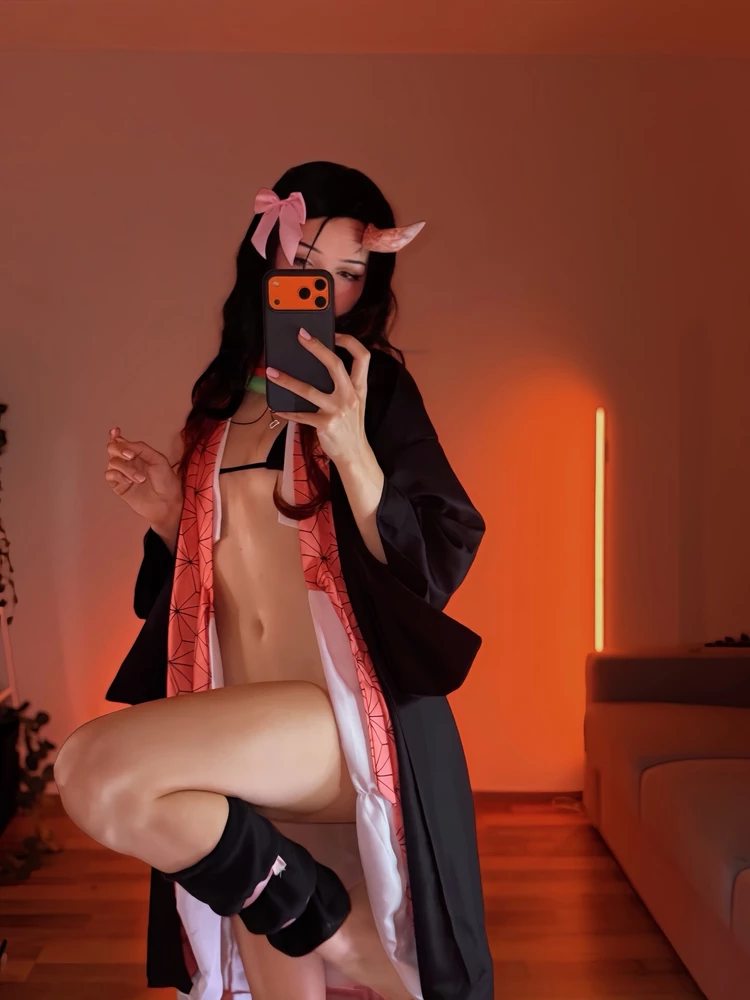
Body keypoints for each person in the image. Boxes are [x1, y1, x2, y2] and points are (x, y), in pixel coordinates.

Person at [54, 161, 493, 1000]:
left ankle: (343, 934)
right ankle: (327, 924)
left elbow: (433, 560)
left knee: (93, 770)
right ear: (268, 266)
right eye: (306, 268)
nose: (327, 291)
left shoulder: (372, 392)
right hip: (243, 715)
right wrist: (168, 515)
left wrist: (350, 444)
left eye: (350, 274)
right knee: (269, 948)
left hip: (335, 718)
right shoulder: (222, 401)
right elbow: (218, 576)